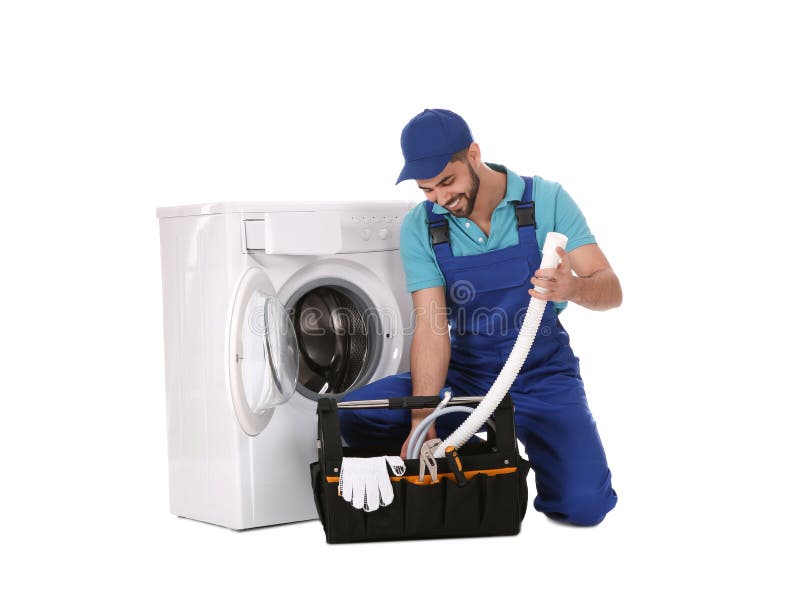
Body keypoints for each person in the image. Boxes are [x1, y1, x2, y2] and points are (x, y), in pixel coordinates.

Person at [339, 109, 620, 526]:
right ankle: (469, 456)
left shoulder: (546, 200)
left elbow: (610, 289)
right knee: (354, 411)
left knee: (585, 506)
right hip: (466, 377)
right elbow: (433, 327)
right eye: (427, 189)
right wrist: (422, 419)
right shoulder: (423, 226)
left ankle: (511, 454)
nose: (439, 198)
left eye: (447, 182)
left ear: (474, 154)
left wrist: (573, 288)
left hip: (540, 373)